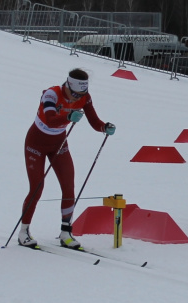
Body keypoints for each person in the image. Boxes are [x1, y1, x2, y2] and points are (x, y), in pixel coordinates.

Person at [17, 68, 115, 249]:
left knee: (69, 186)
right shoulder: (51, 94)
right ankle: (24, 232)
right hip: (36, 144)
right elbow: (50, 119)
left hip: (58, 144)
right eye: (75, 93)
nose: (78, 98)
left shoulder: (85, 97)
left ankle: (65, 233)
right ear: (68, 85)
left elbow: (94, 121)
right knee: (37, 187)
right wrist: (68, 116)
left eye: (82, 94)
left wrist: (104, 127)